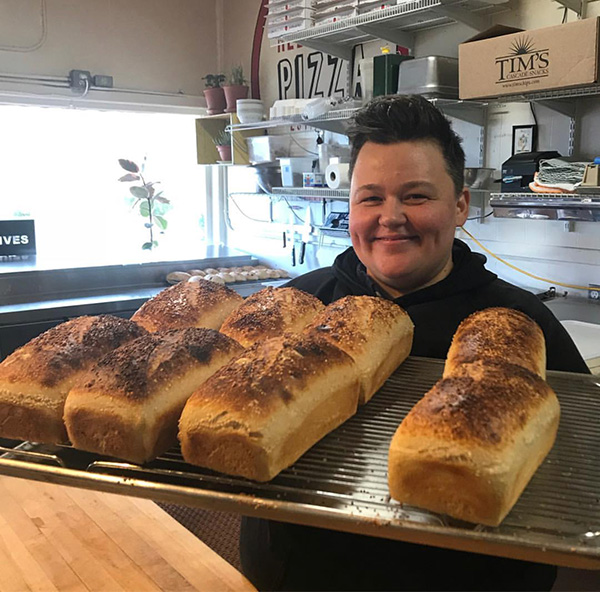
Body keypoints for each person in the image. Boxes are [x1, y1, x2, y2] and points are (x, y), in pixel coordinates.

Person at [239, 95, 590, 592]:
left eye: (417, 196)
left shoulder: (520, 325)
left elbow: (577, 465)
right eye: (371, 197)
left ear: (461, 205)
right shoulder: (301, 302)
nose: (390, 216)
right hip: (296, 569)